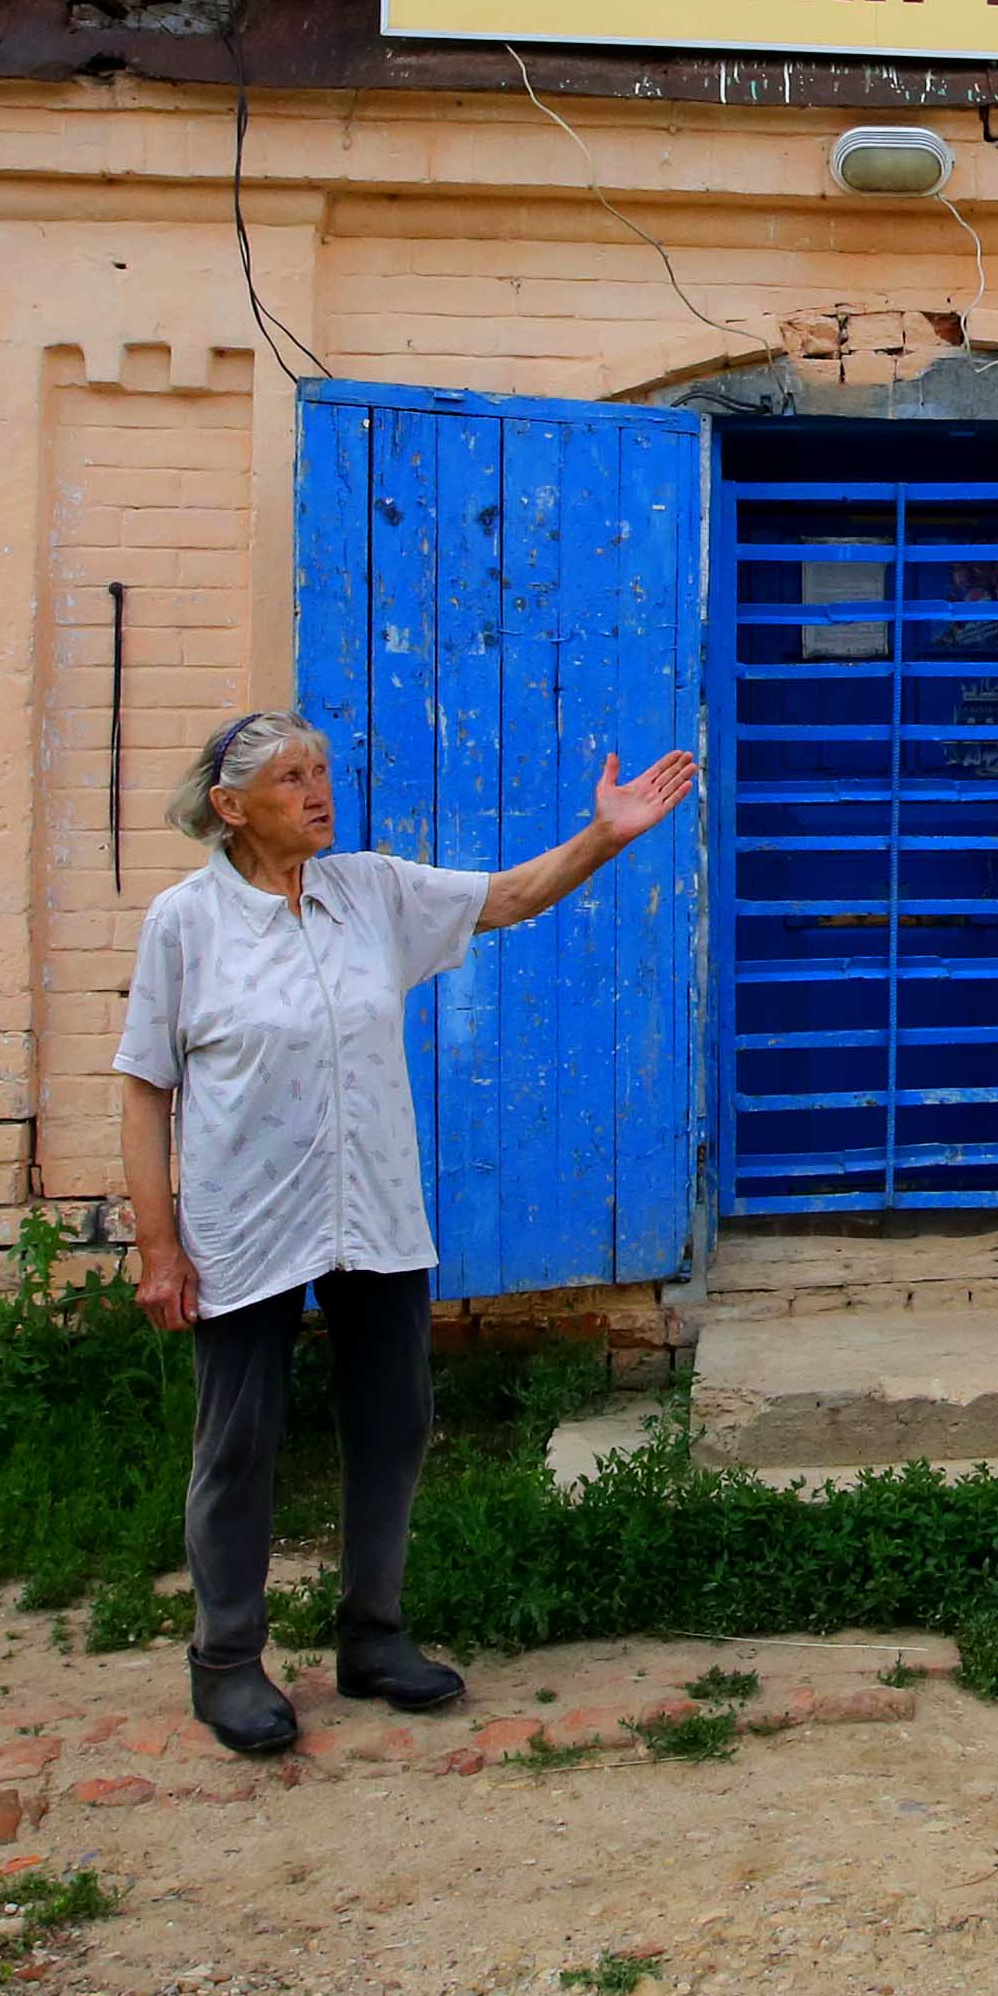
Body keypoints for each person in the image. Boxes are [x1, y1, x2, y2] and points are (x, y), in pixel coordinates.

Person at [118, 711, 699, 1757]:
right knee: (239, 1442)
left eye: (321, 771)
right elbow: (144, 1087)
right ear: (230, 808)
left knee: (393, 1424)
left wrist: (604, 836)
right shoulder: (184, 924)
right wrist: (159, 1246)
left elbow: (506, 897)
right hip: (245, 1222)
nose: (317, 791)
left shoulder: (369, 893)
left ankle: (373, 1636)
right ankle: (227, 1661)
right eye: (291, 778)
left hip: (374, 1214)